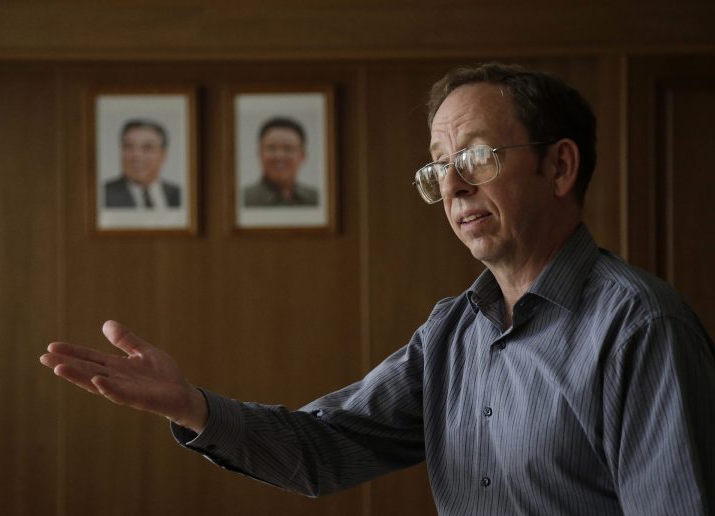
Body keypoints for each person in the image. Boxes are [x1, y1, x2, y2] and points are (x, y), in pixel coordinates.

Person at [41, 63, 715, 515]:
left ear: (560, 165)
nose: (452, 187)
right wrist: (193, 407)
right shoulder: (454, 330)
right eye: (439, 167)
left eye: (476, 157)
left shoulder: (640, 327)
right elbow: (325, 447)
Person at [104, 119, 181, 208]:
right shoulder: (103, 195)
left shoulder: (179, 195)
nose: (136, 155)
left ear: (163, 155)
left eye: (147, 147)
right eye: (129, 147)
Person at [243, 117, 319, 206]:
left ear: (303, 156)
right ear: (259, 153)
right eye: (271, 148)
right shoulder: (244, 200)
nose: (279, 156)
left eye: (288, 148)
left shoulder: (315, 199)